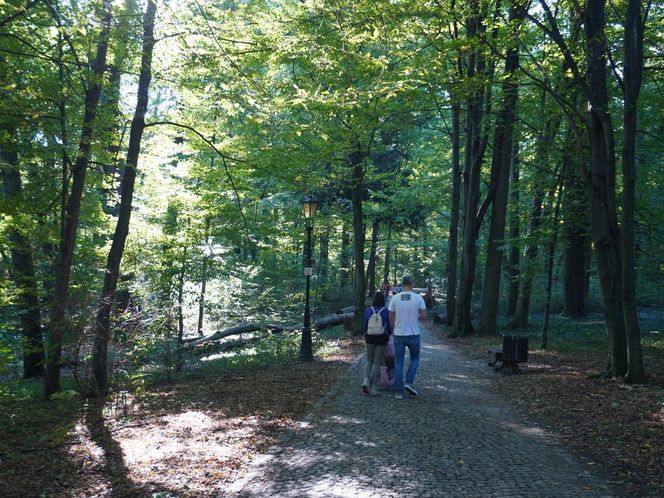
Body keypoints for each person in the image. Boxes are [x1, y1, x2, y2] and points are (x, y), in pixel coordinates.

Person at [388, 275, 427, 399]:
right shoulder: (418, 298)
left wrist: (393, 329)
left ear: (402, 284)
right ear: (412, 284)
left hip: (399, 334)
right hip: (413, 334)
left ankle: (399, 392)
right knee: (414, 359)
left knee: (398, 362)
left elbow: (391, 318)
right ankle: (409, 382)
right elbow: (424, 316)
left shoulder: (395, 298)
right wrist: (415, 317)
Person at [362, 291, 392, 396]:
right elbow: (389, 327)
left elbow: (364, 325)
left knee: (369, 361)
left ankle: (366, 381)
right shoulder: (386, 311)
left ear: (373, 300)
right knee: (377, 362)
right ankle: (374, 387)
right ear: (383, 300)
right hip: (381, 338)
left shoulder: (367, 310)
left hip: (370, 337)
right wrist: (388, 336)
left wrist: (365, 335)